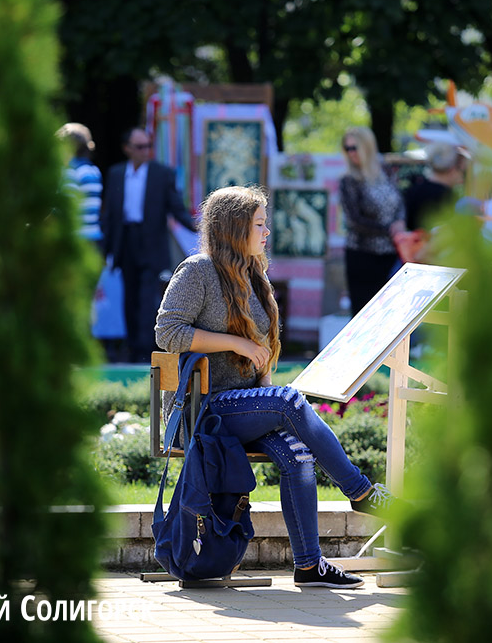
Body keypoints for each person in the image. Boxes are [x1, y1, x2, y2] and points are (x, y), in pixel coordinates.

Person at [156, 185, 400, 589]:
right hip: (204, 414)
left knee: (298, 455)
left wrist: (262, 375)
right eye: (259, 224)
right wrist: (237, 344)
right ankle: (360, 492)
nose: (267, 231)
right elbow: (167, 332)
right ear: (234, 227)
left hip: (243, 408)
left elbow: (263, 349)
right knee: (289, 400)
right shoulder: (197, 271)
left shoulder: (255, 274)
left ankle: (309, 565)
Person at [102, 127, 196, 363]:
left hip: (152, 244)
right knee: (129, 298)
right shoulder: (116, 173)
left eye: (149, 146)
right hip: (126, 241)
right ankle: (133, 347)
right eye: (140, 146)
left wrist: (200, 225)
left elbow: (176, 208)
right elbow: (109, 214)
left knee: (147, 299)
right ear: (127, 149)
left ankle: (144, 351)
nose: (146, 151)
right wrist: (107, 249)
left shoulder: (161, 174)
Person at [338, 127, 406, 315]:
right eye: (347, 148)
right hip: (363, 255)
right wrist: (390, 229)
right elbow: (354, 221)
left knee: (390, 313)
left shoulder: (386, 172)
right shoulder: (349, 180)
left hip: (391, 254)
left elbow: (400, 202)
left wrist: (400, 222)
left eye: (354, 147)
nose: (351, 153)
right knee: (364, 314)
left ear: (367, 147)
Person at [57, 122, 103, 250]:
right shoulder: (94, 170)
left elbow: (66, 208)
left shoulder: (71, 171)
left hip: (76, 240)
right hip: (94, 237)